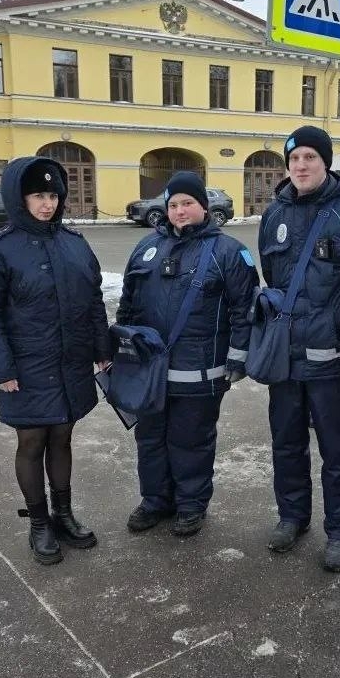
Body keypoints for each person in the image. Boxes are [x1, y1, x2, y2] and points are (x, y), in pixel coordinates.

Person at [0, 157, 110, 565]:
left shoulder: (74, 243)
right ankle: (39, 523)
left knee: (62, 436)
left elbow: (93, 301)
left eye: (52, 195)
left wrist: (102, 350)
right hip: (25, 366)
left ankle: (63, 515)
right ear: (19, 198)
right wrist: (1, 368)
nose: (47, 203)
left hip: (70, 361)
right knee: (32, 441)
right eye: (37, 195)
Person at [257, 125, 340, 572]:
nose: (301, 166)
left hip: (334, 362)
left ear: (326, 162)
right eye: (294, 159)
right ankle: (293, 517)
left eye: (310, 157)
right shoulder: (273, 215)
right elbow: (272, 277)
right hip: (286, 359)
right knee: (286, 443)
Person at [116, 171, 258, 538]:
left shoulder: (229, 251)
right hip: (150, 372)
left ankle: (191, 504)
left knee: (190, 440)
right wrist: (121, 347)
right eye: (174, 204)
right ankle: (155, 500)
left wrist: (238, 358)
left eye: (188, 203)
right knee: (150, 439)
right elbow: (128, 303)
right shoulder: (147, 246)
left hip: (200, 371)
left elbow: (245, 309)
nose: (180, 211)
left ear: (204, 207)